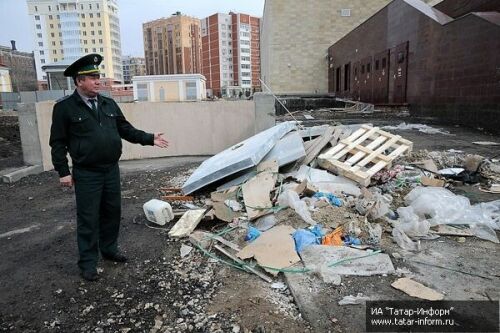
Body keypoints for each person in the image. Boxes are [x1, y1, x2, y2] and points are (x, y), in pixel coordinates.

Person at [49, 54, 169, 281]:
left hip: (111, 170)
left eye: (98, 77)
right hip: (87, 173)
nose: (97, 81)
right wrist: (63, 171)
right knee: (88, 218)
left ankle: (109, 249)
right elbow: (57, 143)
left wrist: (150, 138)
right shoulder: (65, 108)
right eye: (92, 77)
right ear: (78, 81)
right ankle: (87, 263)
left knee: (112, 212)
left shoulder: (108, 103)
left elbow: (126, 130)